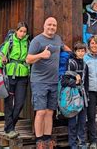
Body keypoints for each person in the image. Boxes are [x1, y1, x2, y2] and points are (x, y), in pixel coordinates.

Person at [26, 17, 70, 149]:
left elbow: (63, 47)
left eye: (54, 25)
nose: (51, 27)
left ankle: (47, 138)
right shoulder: (37, 41)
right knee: (40, 112)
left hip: (53, 81)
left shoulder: (57, 38)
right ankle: (39, 140)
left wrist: (75, 54)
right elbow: (28, 59)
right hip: (39, 81)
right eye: (49, 25)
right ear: (44, 25)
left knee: (50, 112)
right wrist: (40, 55)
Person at [0, 22, 30, 139]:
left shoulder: (28, 43)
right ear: (16, 31)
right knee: (8, 103)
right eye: (21, 31)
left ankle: (9, 126)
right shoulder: (9, 43)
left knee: (19, 104)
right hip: (9, 75)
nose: (22, 34)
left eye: (24, 32)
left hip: (23, 76)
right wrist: (2, 61)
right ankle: (10, 129)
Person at [66, 42, 89, 149]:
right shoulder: (70, 63)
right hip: (72, 97)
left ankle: (82, 143)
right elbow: (64, 80)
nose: (80, 53)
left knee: (82, 121)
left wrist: (87, 96)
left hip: (83, 95)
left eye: (82, 51)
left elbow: (87, 82)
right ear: (75, 52)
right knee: (72, 122)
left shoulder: (85, 65)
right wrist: (74, 81)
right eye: (78, 51)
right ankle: (73, 144)